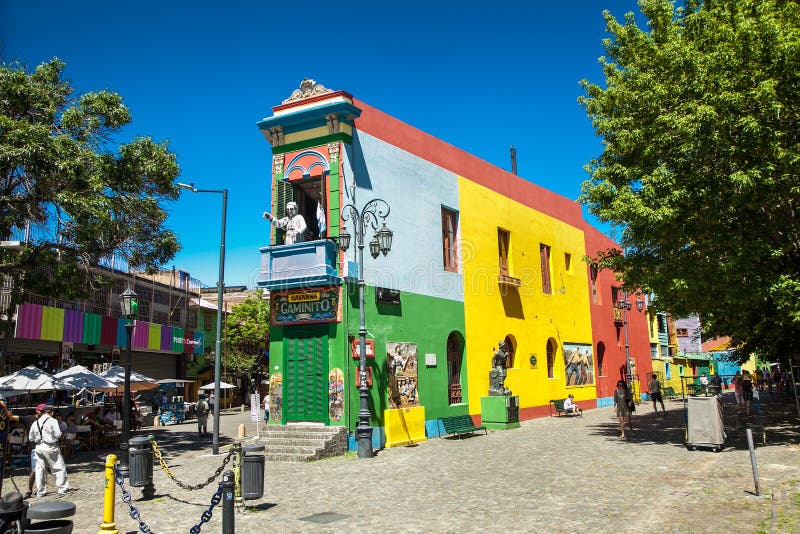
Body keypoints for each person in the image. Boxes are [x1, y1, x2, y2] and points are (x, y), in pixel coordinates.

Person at [28, 404, 70, 496]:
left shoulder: (36, 422)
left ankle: (40, 491)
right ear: (52, 413)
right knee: (58, 467)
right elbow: (58, 434)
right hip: (50, 446)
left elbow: (31, 438)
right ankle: (62, 488)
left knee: (40, 469)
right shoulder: (53, 421)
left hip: (38, 447)